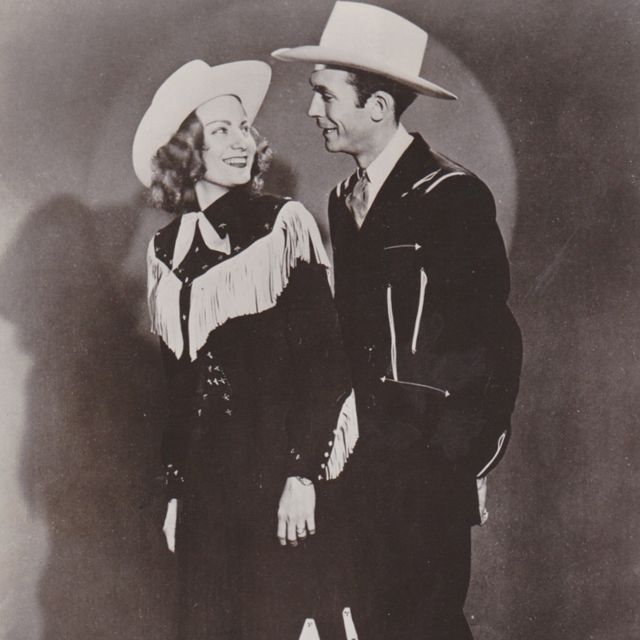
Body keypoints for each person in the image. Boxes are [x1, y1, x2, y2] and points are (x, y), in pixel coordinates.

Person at [272, 3, 523, 638]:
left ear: (378, 107)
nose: (313, 111)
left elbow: (493, 343)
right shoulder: (342, 199)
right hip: (360, 470)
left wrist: (459, 462)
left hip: (428, 473)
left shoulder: (451, 195)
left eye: (326, 96)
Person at [132, 59, 358, 640]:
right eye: (221, 131)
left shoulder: (284, 223)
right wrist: (175, 492)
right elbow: (179, 385)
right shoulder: (165, 248)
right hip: (206, 488)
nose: (242, 142)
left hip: (279, 477)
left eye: (244, 128)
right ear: (188, 151)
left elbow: (326, 366)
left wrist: (303, 477)